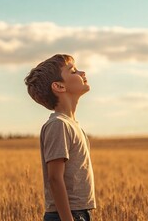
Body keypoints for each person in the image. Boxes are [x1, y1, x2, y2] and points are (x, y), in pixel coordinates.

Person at [24, 54, 96, 221]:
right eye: (73, 71)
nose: (82, 72)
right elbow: (55, 177)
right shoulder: (58, 124)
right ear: (59, 86)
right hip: (65, 215)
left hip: (78, 212)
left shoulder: (72, 125)